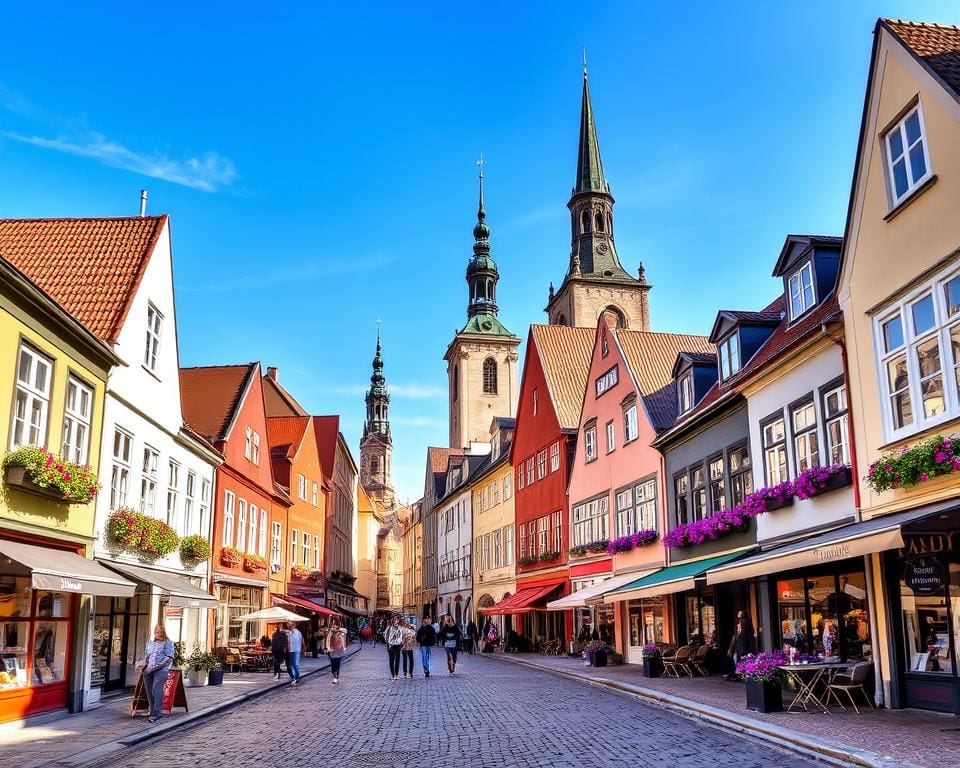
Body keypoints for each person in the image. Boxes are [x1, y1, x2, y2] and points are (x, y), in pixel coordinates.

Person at [137, 624, 174, 722]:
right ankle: (152, 710)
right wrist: (142, 664)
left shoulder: (168, 643)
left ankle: (157, 712)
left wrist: (157, 666)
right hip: (148, 669)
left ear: (164, 633)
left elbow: (169, 658)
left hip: (161, 669)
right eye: (157, 632)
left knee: (156, 689)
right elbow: (147, 656)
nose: (158, 634)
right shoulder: (150, 643)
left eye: (160, 632)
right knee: (149, 690)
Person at [726, 610, 756, 682]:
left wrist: (751, 646)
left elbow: (749, 636)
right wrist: (731, 647)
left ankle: (742, 675)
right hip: (739, 645)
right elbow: (735, 635)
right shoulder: (739, 623)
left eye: (740, 613)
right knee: (736, 658)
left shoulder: (746, 623)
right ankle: (739, 674)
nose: (738, 614)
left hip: (743, 645)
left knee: (742, 659)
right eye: (738, 613)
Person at [326, 617, 347, 684]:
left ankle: (336, 678)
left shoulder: (341, 632)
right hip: (332, 651)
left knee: (337, 664)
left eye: (335, 624)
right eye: (333, 624)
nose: (334, 626)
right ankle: (334, 676)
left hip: (339, 650)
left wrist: (344, 647)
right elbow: (328, 640)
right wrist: (327, 648)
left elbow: (343, 639)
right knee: (333, 665)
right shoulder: (330, 632)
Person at [384, 615, 403, 681]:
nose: (396, 621)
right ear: (392, 621)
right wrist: (389, 643)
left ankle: (396, 675)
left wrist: (401, 642)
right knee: (391, 660)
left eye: (397, 620)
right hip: (391, 646)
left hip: (397, 646)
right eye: (394, 620)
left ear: (398, 621)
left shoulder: (400, 628)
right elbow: (385, 635)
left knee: (397, 660)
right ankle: (393, 675)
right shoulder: (389, 628)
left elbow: (402, 636)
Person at [286, 621, 304, 686]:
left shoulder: (298, 632)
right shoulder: (289, 633)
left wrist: (302, 649)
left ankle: (295, 678)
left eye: (290, 626)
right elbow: (288, 642)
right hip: (291, 650)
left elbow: (302, 641)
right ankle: (296, 677)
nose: (290, 627)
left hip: (296, 650)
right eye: (288, 626)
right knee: (292, 664)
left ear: (294, 625)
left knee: (295, 664)